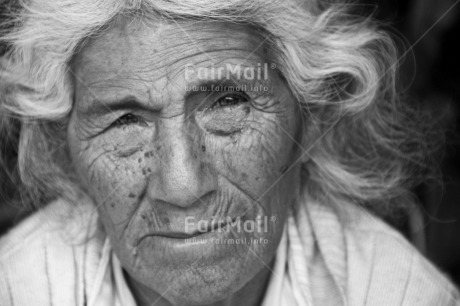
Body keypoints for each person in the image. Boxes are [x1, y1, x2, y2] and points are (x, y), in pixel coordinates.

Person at [0, 0, 459, 305]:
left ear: (312, 117)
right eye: (125, 122)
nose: (181, 186)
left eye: (228, 103)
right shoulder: (16, 289)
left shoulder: (399, 293)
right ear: (66, 149)